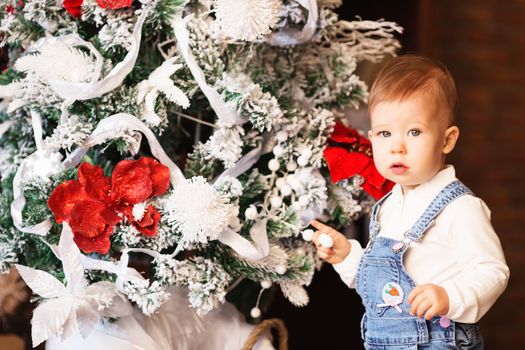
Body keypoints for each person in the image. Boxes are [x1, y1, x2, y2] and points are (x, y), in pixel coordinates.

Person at [310, 54, 509, 349]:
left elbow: (492, 271)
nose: (397, 147)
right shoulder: (389, 206)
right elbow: (383, 289)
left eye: (414, 132)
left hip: (438, 341)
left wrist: (450, 296)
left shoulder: (459, 207)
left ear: (447, 140)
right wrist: (348, 257)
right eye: (385, 133)